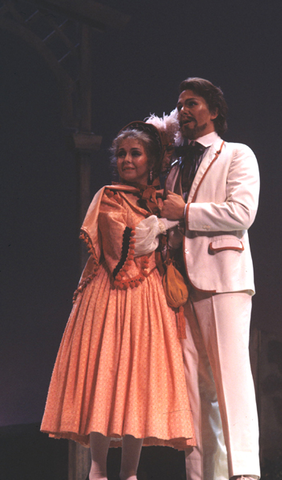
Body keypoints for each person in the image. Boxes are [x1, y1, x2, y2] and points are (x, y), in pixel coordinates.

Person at [40, 120, 195, 480]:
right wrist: (161, 224)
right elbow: (123, 244)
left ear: (151, 159)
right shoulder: (109, 195)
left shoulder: (158, 198)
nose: (127, 160)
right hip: (111, 294)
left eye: (135, 153)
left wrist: (170, 217)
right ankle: (97, 469)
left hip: (148, 296)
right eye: (122, 154)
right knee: (104, 372)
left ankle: (129, 472)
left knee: (138, 379)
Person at [160, 78, 261, 480]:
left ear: (214, 111)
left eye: (193, 103)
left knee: (230, 379)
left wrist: (185, 212)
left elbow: (241, 213)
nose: (183, 110)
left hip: (223, 278)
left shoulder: (236, 154)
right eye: (180, 104)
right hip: (182, 285)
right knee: (194, 389)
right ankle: (202, 474)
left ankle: (244, 472)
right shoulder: (173, 166)